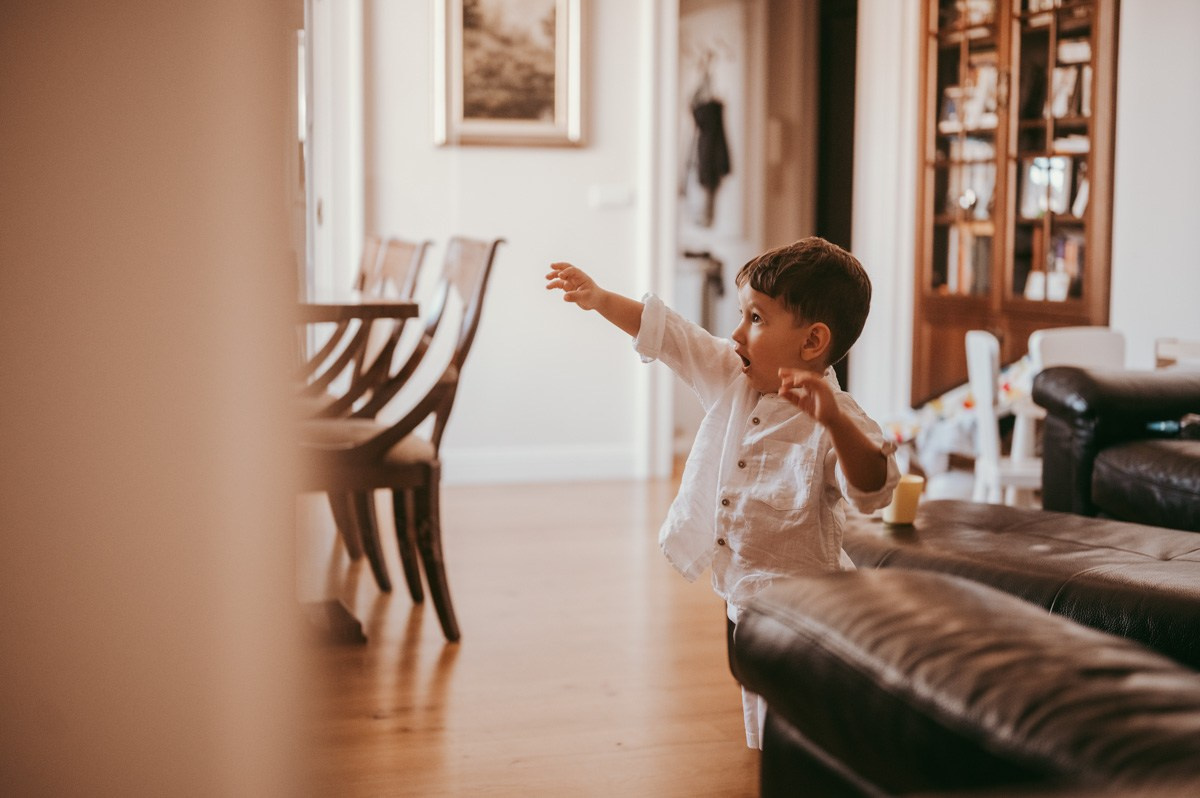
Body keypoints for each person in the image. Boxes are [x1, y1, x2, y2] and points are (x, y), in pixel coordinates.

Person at [545, 236, 901, 748]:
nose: (736, 332)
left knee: (802, 724)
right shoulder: (731, 376)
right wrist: (601, 298)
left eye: (756, 319)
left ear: (812, 341)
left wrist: (834, 422)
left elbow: (873, 489)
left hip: (808, 609)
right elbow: (673, 336)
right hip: (741, 598)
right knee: (756, 704)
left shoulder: (836, 420)